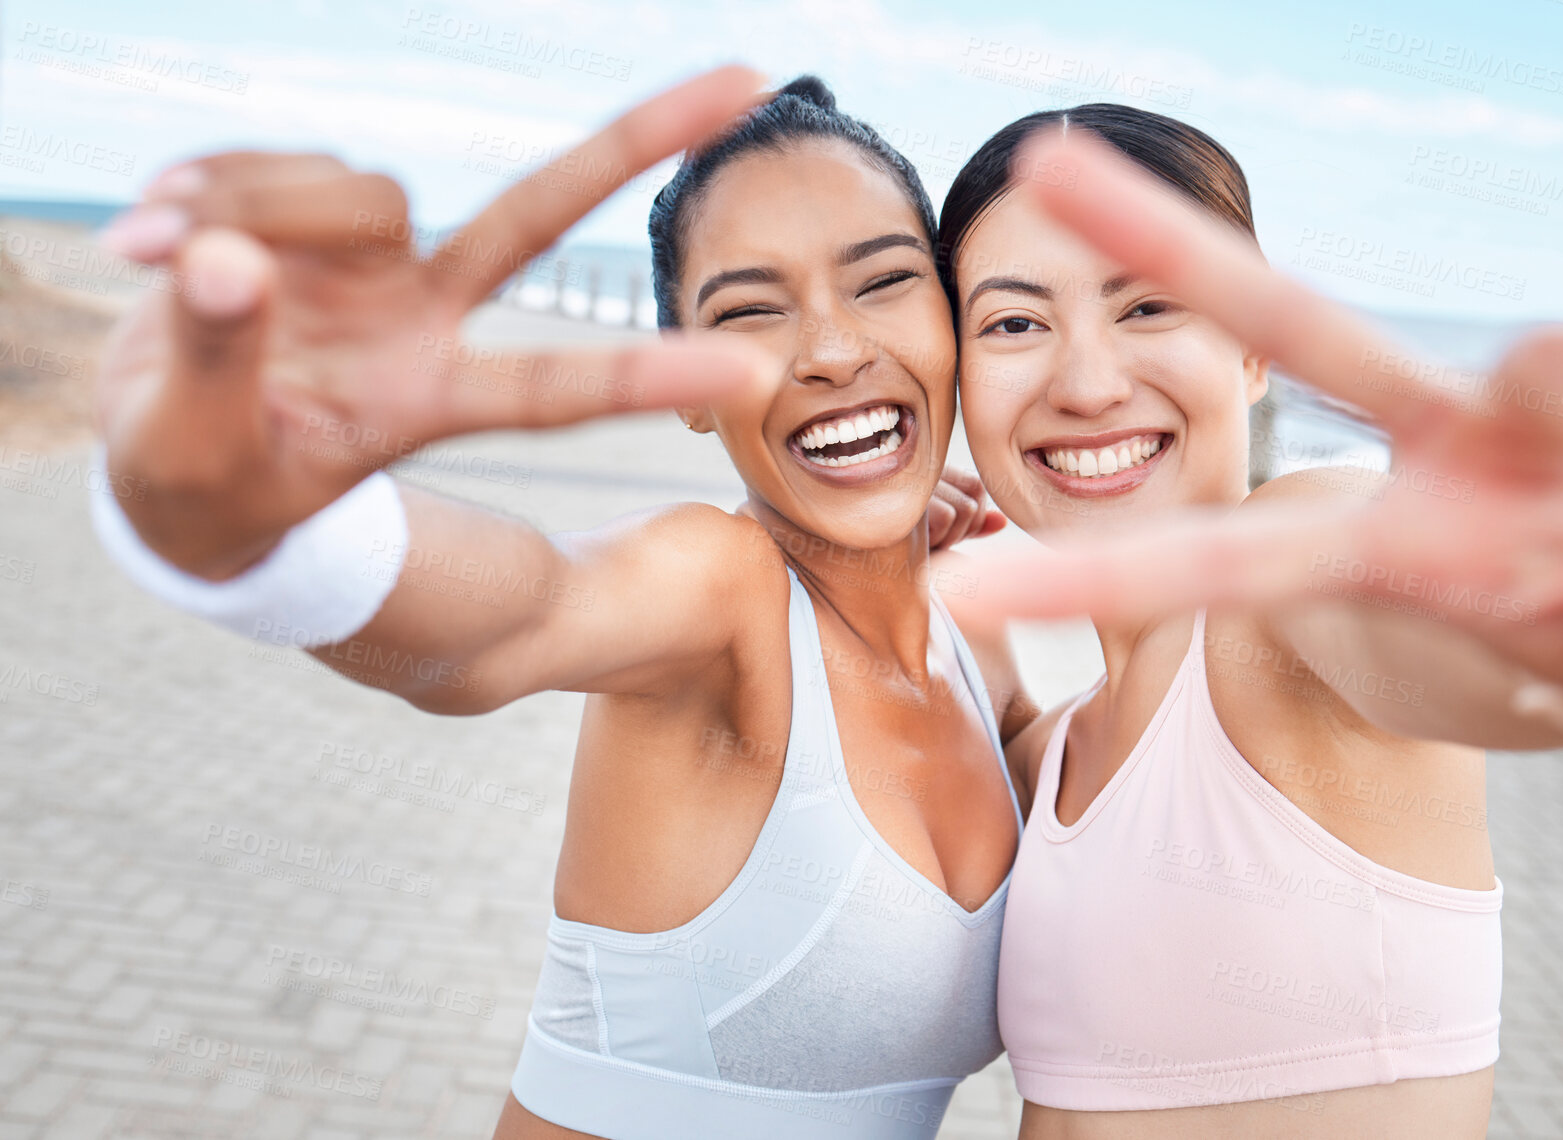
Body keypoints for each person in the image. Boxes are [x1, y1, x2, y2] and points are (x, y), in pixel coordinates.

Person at [91, 70, 1031, 1140]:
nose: (831, 351)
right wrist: (242, 504)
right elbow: (521, 613)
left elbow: (1141, 788)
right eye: (751, 310)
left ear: (953, 321)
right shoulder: (717, 595)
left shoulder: (978, 649)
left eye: (882, 281)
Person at [937, 102, 1563, 1138]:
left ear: (1256, 354)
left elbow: (1403, 614)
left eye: (1147, 308)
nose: (1089, 382)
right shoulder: (1056, 751)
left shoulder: (1287, 589)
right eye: (1013, 323)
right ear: (961, 382)